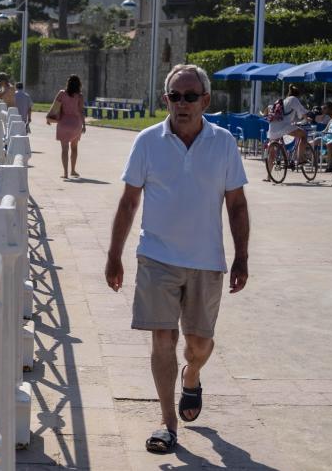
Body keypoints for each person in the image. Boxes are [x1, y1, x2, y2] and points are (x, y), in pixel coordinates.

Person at [105, 64, 249, 454]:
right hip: (156, 257)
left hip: (207, 261)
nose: (181, 104)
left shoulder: (223, 144)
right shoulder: (148, 141)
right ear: (165, 99)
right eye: (174, 96)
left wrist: (242, 257)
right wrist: (114, 255)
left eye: (189, 96)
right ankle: (168, 423)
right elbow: (129, 201)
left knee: (198, 345)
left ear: (205, 100)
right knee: (163, 338)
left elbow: (236, 205)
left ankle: (192, 376)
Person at [47, 74, 86, 179]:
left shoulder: (62, 93)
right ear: (79, 84)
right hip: (76, 124)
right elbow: (81, 111)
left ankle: (65, 173)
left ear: (68, 83)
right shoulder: (80, 96)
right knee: (74, 147)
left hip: (63, 123)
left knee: (64, 149)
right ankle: (73, 170)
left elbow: (55, 106)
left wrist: (49, 117)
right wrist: (84, 125)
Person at [266, 84, 308, 172]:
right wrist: (307, 118)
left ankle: (268, 176)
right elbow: (302, 113)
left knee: (272, 152)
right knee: (303, 135)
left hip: (272, 128)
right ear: (297, 95)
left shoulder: (283, 102)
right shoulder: (294, 99)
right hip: (284, 127)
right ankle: (300, 158)